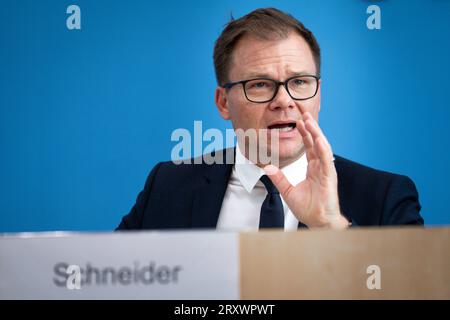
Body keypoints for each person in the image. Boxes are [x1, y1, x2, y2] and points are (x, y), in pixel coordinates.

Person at [116, 8, 423, 231]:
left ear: (319, 95)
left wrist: (331, 226)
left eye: (300, 82)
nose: (284, 101)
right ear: (224, 103)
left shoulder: (386, 196)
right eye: (260, 84)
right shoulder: (167, 186)